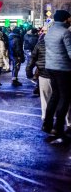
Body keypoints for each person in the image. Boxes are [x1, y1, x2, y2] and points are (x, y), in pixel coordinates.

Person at [42, 10, 71, 139]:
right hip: (63, 69)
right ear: (65, 19)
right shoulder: (65, 32)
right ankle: (58, 127)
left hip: (51, 68)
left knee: (55, 96)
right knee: (65, 98)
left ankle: (47, 124)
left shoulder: (50, 32)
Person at [26, 32, 51, 121]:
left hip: (43, 73)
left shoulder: (40, 44)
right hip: (58, 73)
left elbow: (33, 59)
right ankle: (68, 122)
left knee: (44, 97)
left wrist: (28, 71)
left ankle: (45, 116)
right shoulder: (62, 42)